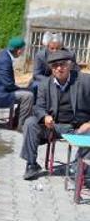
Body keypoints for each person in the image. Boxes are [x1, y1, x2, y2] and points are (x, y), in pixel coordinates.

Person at [20, 50, 90, 180]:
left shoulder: (85, 81)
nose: (59, 68)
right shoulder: (45, 84)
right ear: (51, 68)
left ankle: (78, 165)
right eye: (55, 66)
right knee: (30, 122)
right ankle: (31, 164)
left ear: (69, 66)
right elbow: (38, 107)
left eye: (62, 65)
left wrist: (88, 124)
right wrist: (44, 116)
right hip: (54, 127)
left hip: (78, 128)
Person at [0, 36, 33, 131]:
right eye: (23, 50)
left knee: (27, 92)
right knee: (28, 96)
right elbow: (8, 84)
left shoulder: (5, 55)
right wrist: (21, 89)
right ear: (19, 51)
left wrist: (22, 89)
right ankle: (21, 126)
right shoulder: (4, 60)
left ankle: (16, 121)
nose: (23, 52)